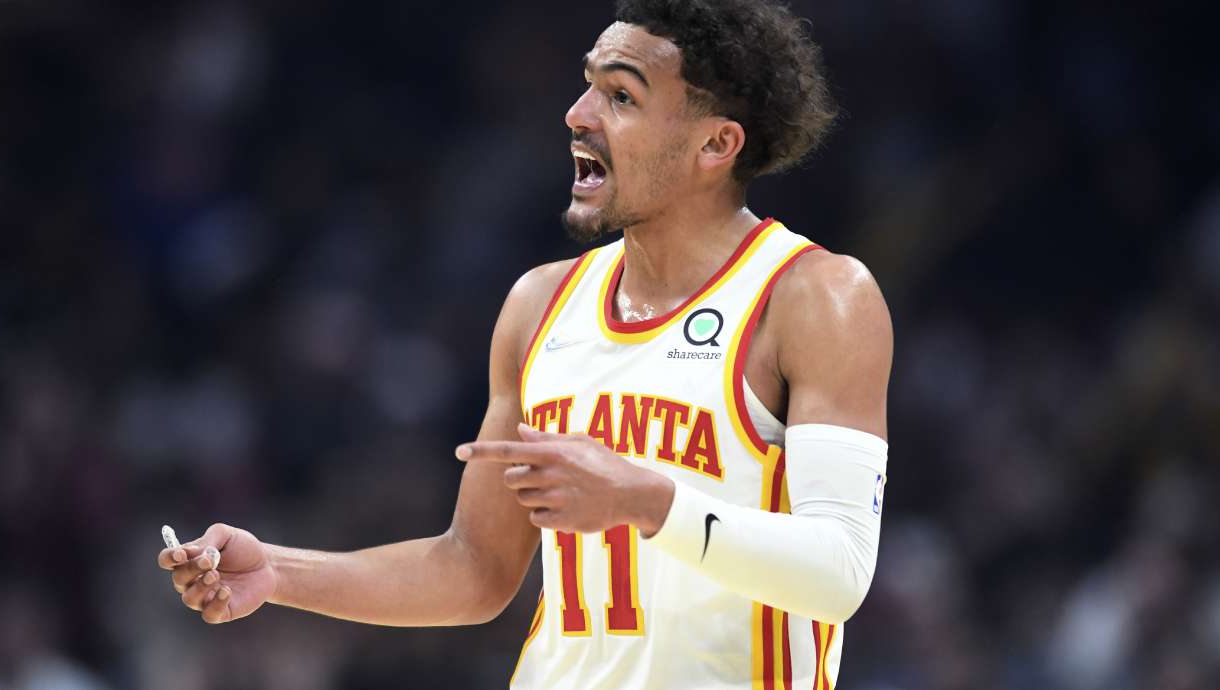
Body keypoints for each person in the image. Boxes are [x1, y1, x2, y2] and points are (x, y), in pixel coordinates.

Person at [157, 1, 893, 688]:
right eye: (586, 87)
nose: (577, 116)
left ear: (715, 143)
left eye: (621, 97)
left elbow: (840, 573)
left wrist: (645, 500)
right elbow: (473, 570)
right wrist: (279, 573)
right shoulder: (540, 304)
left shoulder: (814, 297)